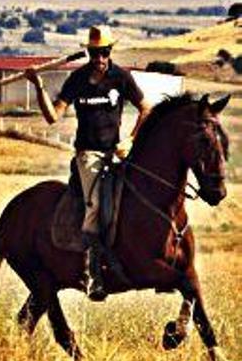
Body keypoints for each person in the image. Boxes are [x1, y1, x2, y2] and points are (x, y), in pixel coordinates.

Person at [25, 25, 151, 301]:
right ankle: (92, 271)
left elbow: (146, 108)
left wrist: (130, 139)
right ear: (88, 52)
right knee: (94, 204)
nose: (100, 58)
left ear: (110, 51)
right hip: (88, 154)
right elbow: (52, 116)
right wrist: (39, 86)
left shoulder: (121, 77)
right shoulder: (77, 79)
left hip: (117, 152)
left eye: (104, 52)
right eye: (95, 53)